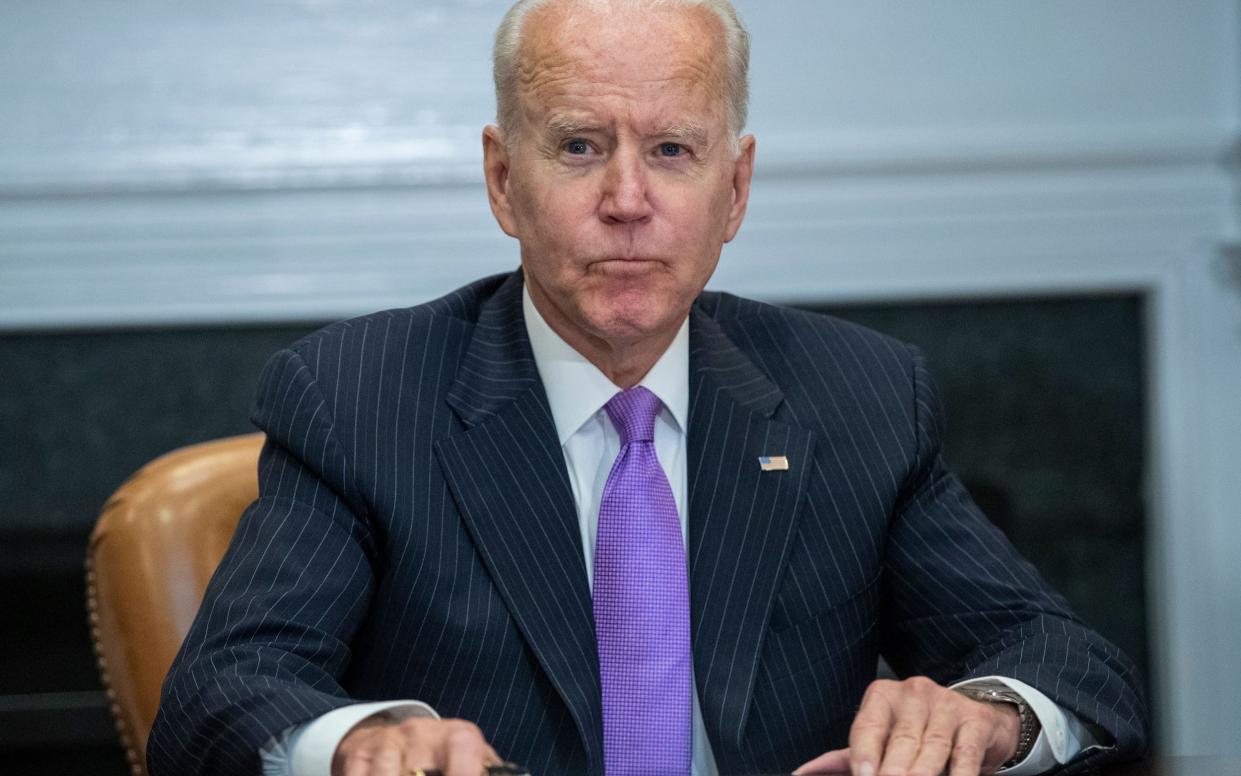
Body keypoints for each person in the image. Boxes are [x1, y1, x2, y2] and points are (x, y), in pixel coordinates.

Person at [147, 1, 1148, 775]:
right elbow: (222, 692)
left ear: (735, 189)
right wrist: (362, 737)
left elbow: (1062, 655)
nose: (627, 201)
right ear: (502, 180)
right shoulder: (354, 397)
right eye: (579, 146)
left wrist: (988, 713)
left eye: (671, 150)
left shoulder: (859, 395)